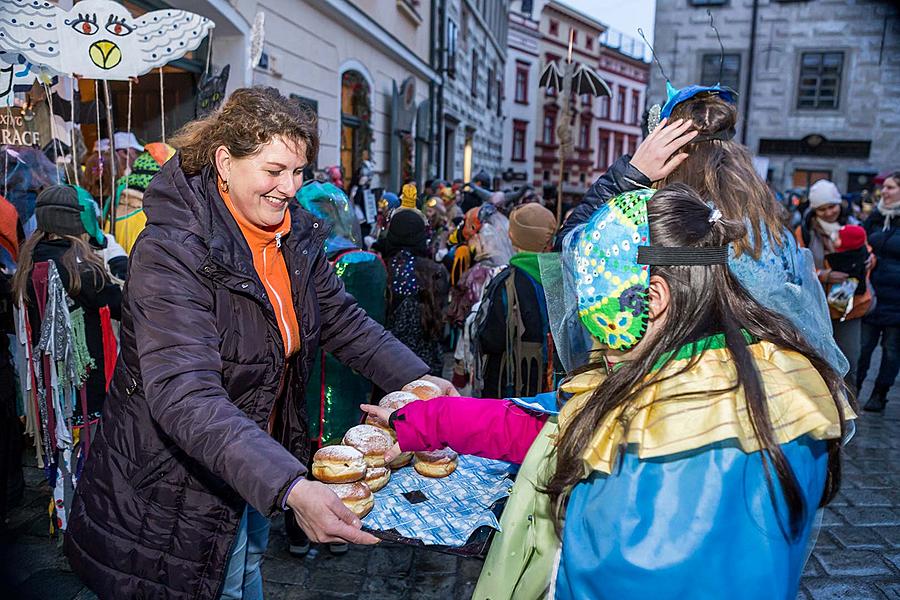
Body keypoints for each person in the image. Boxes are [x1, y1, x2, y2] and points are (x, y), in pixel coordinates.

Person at [364, 185, 852, 600]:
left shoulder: (683, 442)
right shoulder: (752, 367)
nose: (598, 345)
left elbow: (617, 572)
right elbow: (560, 421)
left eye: (602, 321)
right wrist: (427, 419)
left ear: (654, 298)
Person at [63, 87, 456, 599]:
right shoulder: (172, 250)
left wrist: (420, 380)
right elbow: (186, 394)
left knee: (245, 568)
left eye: (298, 172)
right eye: (274, 171)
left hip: (254, 461)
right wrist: (290, 487)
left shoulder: (290, 238)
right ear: (225, 162)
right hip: (175, 485)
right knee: (214, 581)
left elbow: (345, 322)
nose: (289, 187)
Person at [558, 87, 847, 378]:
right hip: (766, 384)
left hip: (671, 386)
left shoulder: (656, 224)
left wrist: (630, 175)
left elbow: (574, 251)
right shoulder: (766, 229)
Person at [12, 185, 123, 532]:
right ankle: (91, 517)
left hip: (47, 382)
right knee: (88, 446)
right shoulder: (81, 265)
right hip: (86, 376)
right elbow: (119, 304)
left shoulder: (28, 262)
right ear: (76, 221)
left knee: (60, 447)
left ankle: (62, 510)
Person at [795, 179, 873, 394]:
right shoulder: (805, 231)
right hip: (817, 307)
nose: (829, 212)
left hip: (849, 306)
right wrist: (824, 275)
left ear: (840, 204)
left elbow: (868, 254)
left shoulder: (854, 226)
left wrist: (868, 261)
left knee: (849, 359)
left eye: (832, 206)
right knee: (818, 361)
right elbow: (798, 264)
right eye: (822, 209)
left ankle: (849, 407)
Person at [473, 203, 557, 397]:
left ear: (513, 237)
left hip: (512, 390)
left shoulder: (506, 282)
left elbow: (491, 339)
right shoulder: (563, 277)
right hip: (552, 390)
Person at [378, 209, 449, 376]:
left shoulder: (381, 268)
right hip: (425, 362)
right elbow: (441, 315)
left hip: (387, 359)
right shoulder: (436, 271)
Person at [858, 171, 900, 411]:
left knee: (892, 351)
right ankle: (854, 390)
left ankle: (879, 394)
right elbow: (862, 244)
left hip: (897, 299)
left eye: (891, 187)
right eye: (884, 187)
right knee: (863, 348)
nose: (884, 191)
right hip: (872, 295)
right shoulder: (875, 217)